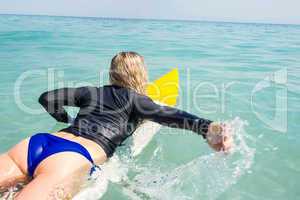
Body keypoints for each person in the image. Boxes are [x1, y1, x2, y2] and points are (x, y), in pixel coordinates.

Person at [0, 52, 232, 199]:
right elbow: (167, 114)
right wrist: (208, 128)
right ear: (141, 75)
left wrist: (63, 118)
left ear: (112, 73)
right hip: (72, 157)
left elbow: (47, 98)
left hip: (36, 144)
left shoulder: (90, 91)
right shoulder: (137, 100)